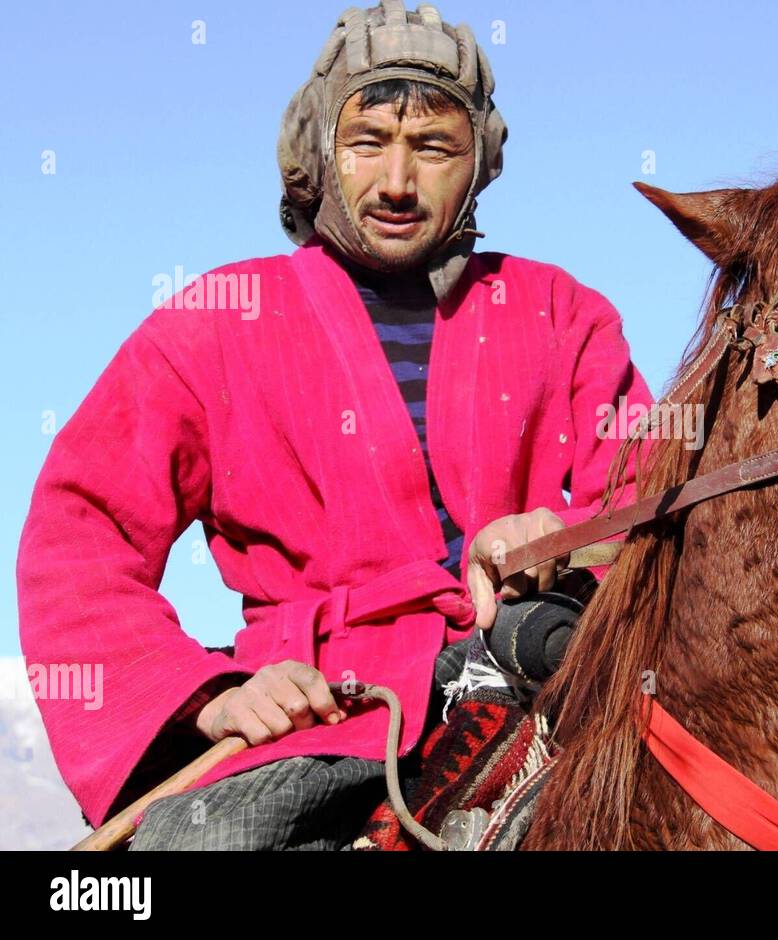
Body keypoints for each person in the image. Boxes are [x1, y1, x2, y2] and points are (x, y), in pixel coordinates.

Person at [16, 0, 652, 850]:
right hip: (322, 714)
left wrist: (570, 538)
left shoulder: (562, 313)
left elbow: (661, 501)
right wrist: (209, 695)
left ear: (480, 164)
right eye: (368, 143)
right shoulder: (215, 322)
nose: (397, 182)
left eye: (432, 148)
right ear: (318, 150)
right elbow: (76, 538)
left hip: (543, 679)